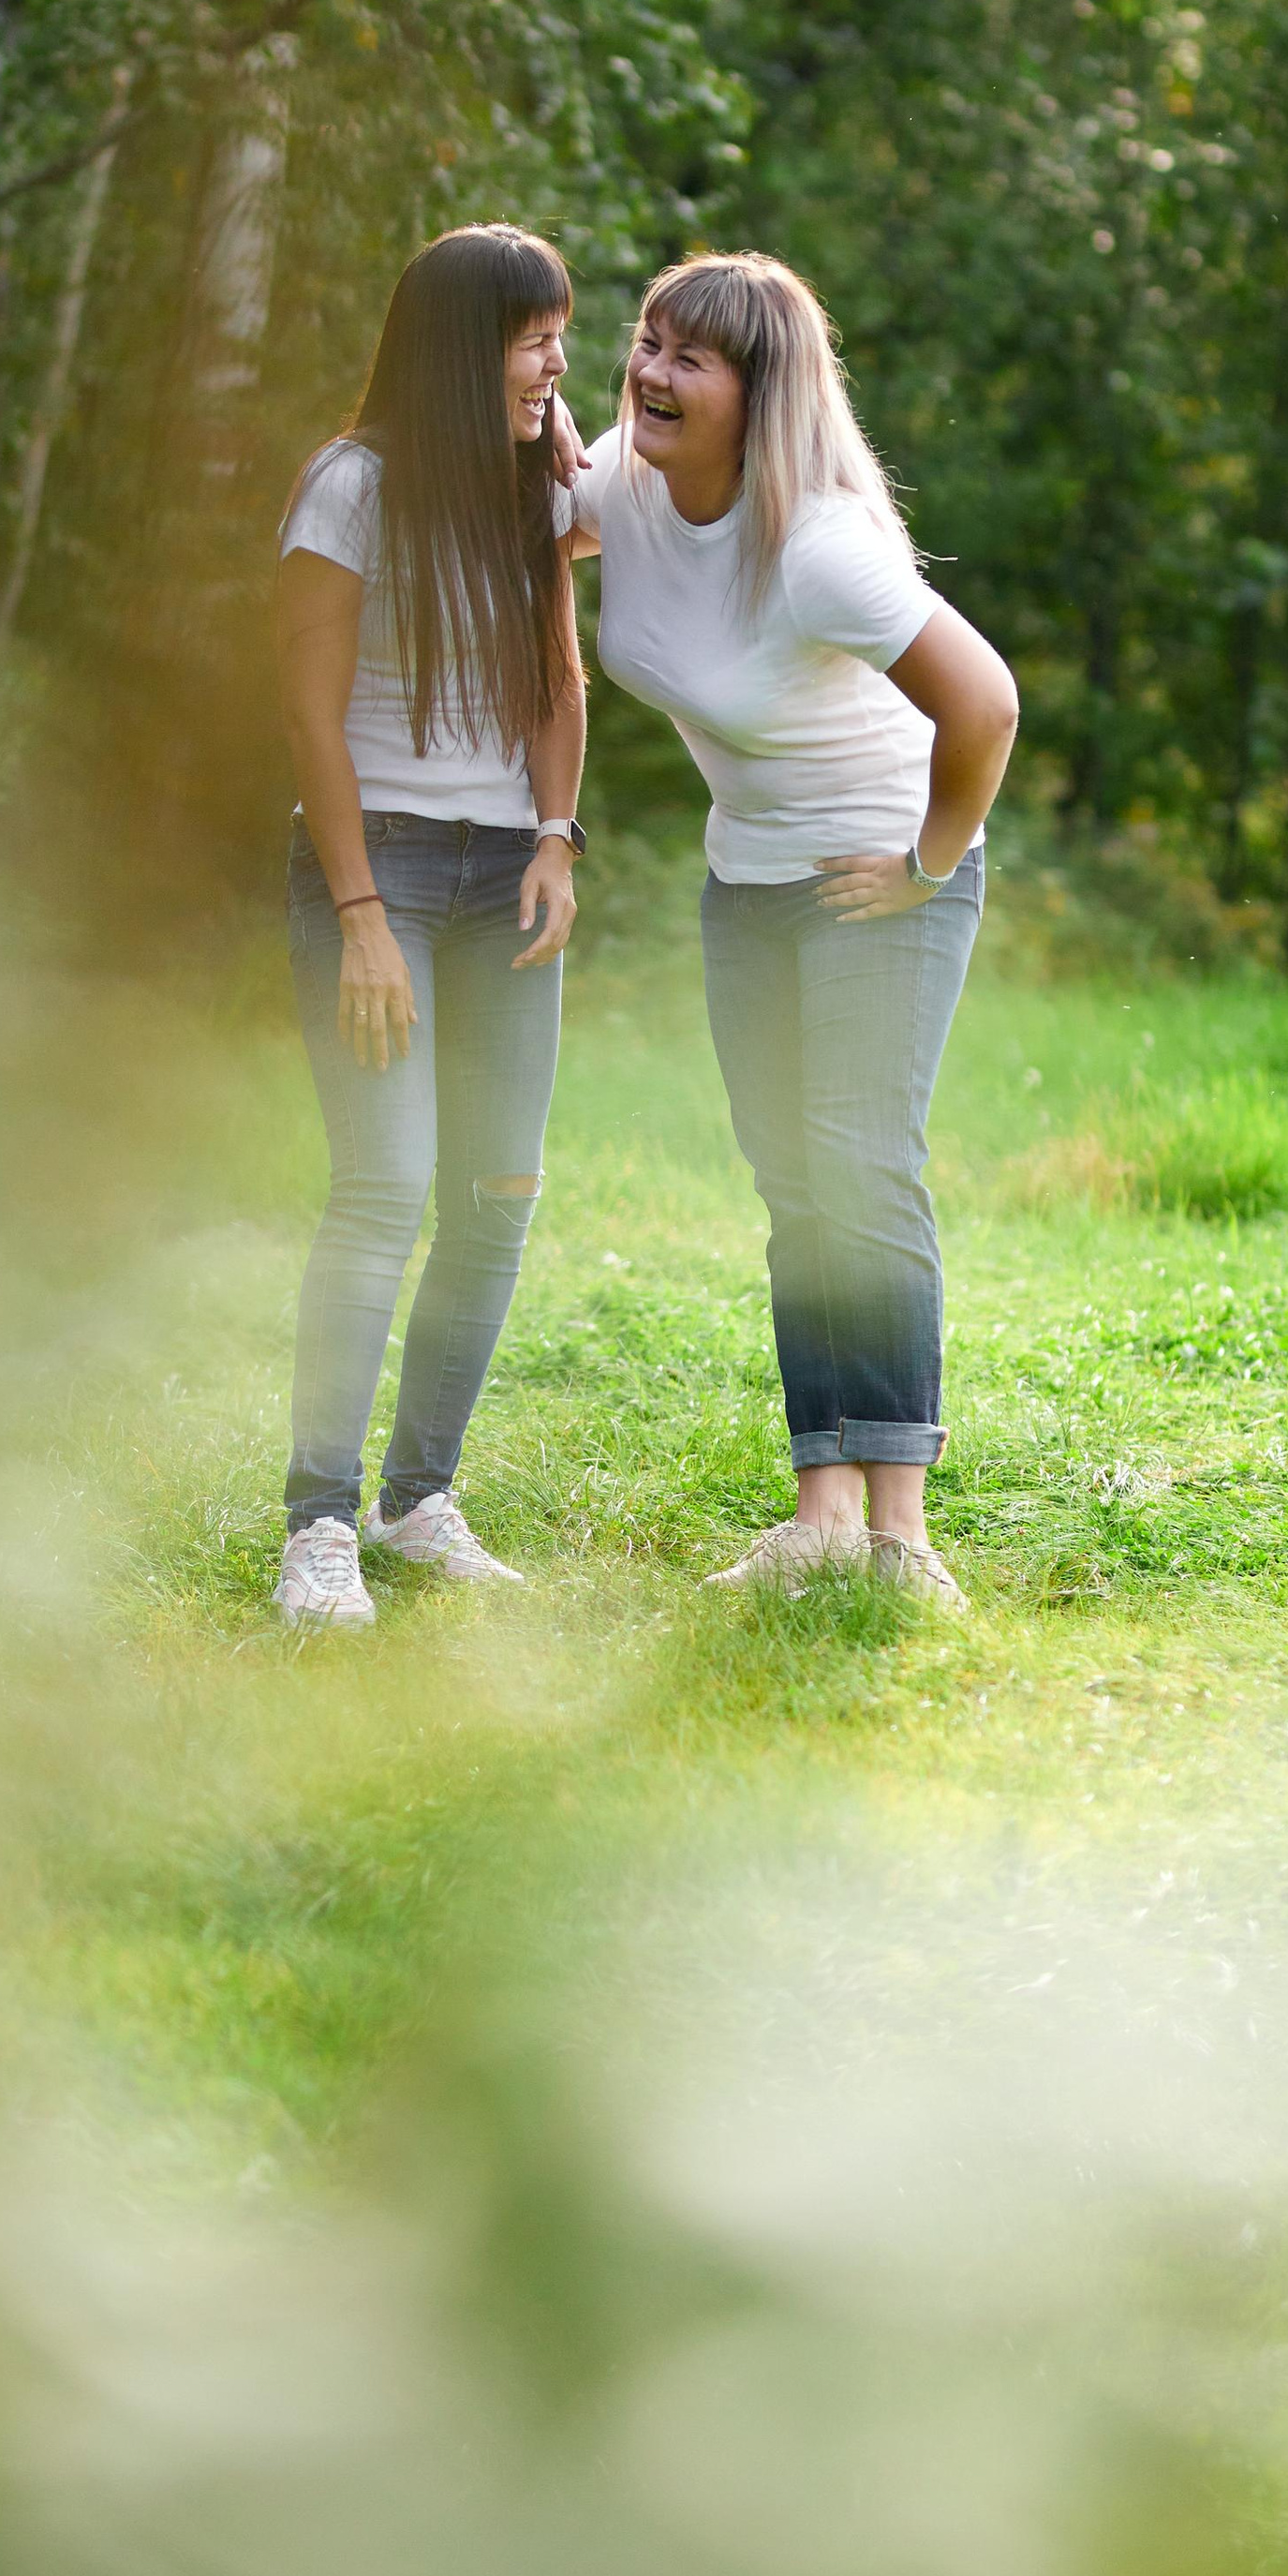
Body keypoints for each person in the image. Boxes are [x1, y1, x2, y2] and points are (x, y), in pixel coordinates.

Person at [568, 251, 1017, 1611]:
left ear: (757, 398)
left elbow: (985, 704)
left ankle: (902, 1537)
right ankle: (820, 1517)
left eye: (687, 359)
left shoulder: (818, 543)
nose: (648, 372)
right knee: (794, 1182)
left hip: (877, 875)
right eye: (647, 342)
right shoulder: (626, 478)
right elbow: (536, 520)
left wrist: (928, 867)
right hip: (747, 875)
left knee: (861, 1169)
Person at [273, 223, 589, 1628]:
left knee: (498, 1198)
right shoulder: (353, 488)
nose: (559, 364)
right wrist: (357, 913)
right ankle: (320, 1526)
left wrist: (560, 839)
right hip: (382, 867)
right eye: (536, 340)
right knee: (384, 1192)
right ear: (468, 348)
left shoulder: (529, 490)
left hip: (507, 870)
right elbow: (308, 711)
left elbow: (562, 682)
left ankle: (417, 1500)